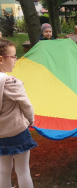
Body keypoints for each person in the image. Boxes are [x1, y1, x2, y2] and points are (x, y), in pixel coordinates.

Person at [0, 39, 37, 188]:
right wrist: (31, 120)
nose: (16, 60)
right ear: (1, 59)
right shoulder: (11, 82)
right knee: (22, 170)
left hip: (0, 134)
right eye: (13, 56)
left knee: (3, 170)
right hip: (17, 131)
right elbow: (26, 105)